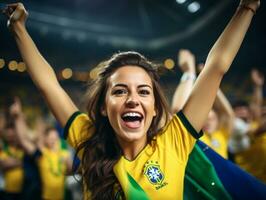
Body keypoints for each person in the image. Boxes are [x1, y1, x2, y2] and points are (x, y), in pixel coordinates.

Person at [2, 1, 260, 199]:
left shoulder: (175, 141)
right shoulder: (87, 142)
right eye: (119, 91)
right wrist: (19, 29)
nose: (133, 99)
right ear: (103, 107)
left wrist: (246, 6)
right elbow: (49, 86)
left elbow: (216, 67)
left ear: (156, 107)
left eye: (143, 91)